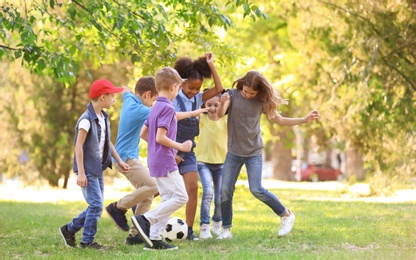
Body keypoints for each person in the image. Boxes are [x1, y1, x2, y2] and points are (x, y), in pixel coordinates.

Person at [216, 70, 320, 239]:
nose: (248, 95)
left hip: (253, 152)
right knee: (225, 190)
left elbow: (281, 120)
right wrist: (222, 102)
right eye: (246, 91)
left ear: (259, 92)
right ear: (241, 86)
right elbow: (220, 115)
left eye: (252, 93)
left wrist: (303, 119)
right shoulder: (232, 95)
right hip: (234, 152)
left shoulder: (262, 102)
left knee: (256, 189)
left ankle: (286, 215)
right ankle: (226, 229)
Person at [131, 67, 207, 250]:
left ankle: (155, 238)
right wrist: (180, 147)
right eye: (179, 88)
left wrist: (159, 149)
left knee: (167, 199)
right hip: (165, 161)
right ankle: (145, 219)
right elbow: (159, 137)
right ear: (174, 87)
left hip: (156, 159)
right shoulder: (166, 107)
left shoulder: (156, 105)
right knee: (182, 197)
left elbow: (144, 133)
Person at [59, 79, 130, 249]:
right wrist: (81, 173)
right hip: (87, 169)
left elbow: (107, 143)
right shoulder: (86, 120)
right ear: (103, 97)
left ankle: (69, 229)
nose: (114, 99)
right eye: (112, 96)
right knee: (97, 205)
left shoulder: (103, 117)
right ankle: (87, 241)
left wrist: (119, 160)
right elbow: (78, 147)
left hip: (98, 168)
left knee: (95, 206)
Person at [173, 52, 223, 240]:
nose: (194, 91)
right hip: (170, 150)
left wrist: (211, 65)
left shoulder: (198, 98)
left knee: (192, 188)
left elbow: (219, 88)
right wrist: (172, 153)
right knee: (156, 190)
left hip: (188, 152)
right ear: (181, 82)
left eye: (197, 88)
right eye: (191, 87)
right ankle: (140, 215)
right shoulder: (173, 98)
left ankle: (189, 230)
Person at [105, 77, 159, 245]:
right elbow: (163, 113)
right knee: (153, 186)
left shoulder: (130, 100)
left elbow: (125, 89)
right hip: (126, 157)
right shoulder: (141, 110)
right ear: (147, 94)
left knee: (147, 195)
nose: (153, 104)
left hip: (126, 155)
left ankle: (135, 235)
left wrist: (126, 89)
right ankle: (118, 207)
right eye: (154, 100)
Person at [195, 92, 228, 239]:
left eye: (216, 105)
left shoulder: (225, 120)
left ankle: (217, 222)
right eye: (209, 105)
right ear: (204, 106)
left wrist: (225, 100)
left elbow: (229, 104)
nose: (213, 108)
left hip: (221, 163)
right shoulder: (201, 118)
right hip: (203, 162)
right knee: (208, 192)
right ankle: (204, 227)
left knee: (220, 196)